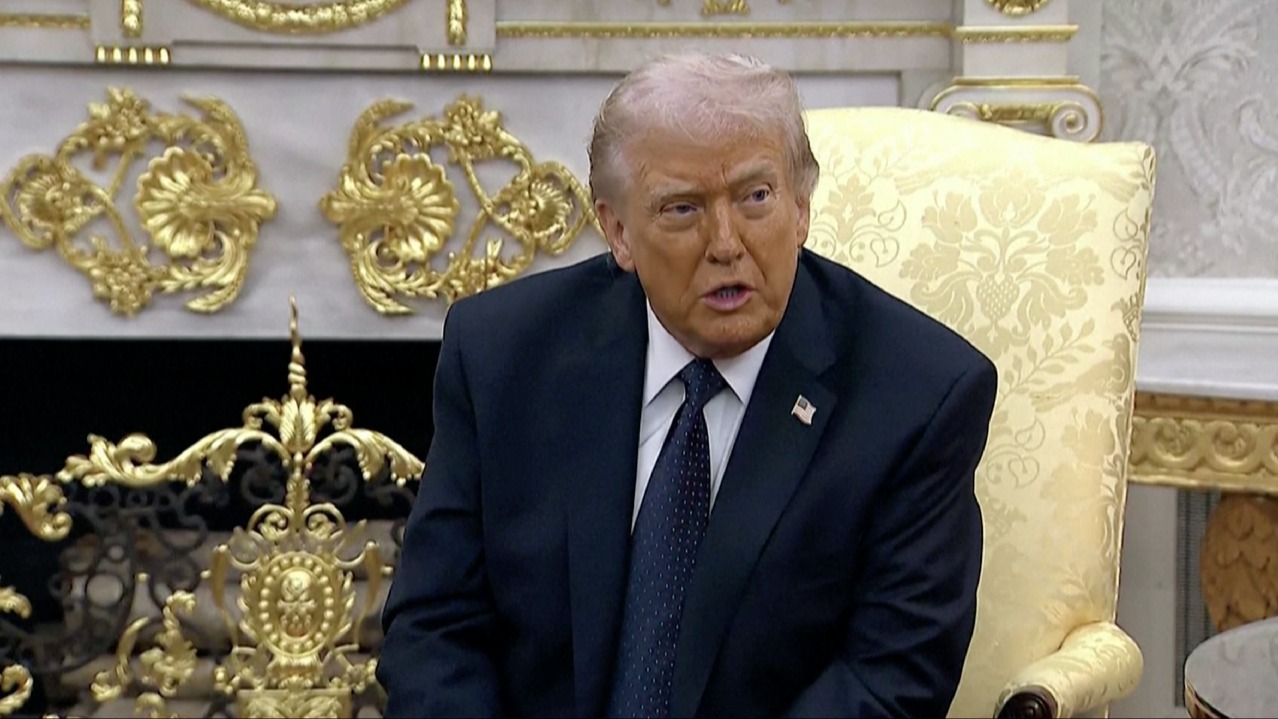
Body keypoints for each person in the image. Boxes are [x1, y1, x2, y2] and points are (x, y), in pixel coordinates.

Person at [379, 51, 998, 718]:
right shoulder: (504, 353)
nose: (726, 243)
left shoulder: (918, 395)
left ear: (800, 208)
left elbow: (889, 678)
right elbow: (435, 625)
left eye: (756, 198)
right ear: (618, 231)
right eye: (682, 208)